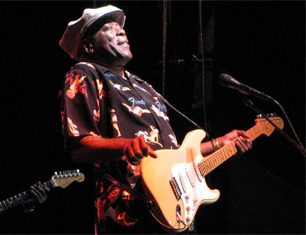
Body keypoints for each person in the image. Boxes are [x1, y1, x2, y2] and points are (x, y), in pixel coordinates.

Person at [59, 5, 252, 234]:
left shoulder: (144, 87)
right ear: (88, 45)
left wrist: (220, 144)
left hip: (176, 211)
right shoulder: (85, 73)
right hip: (131, 209)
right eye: (110, 28)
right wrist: (125, 145)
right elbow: (79, 146)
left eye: (121, 28)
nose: (121, 31)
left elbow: (175, 155)